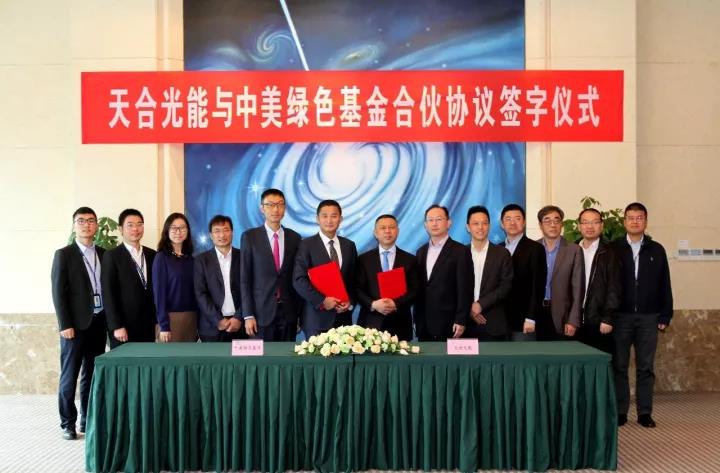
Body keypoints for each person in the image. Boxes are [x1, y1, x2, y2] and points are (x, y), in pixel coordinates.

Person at [612, 202, 673, 428]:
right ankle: (620, 411)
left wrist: (665, 315)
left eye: (639, 218)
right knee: (619, 366)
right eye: (631, 217)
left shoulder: (656, 250)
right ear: (624, 221)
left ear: (646, 221)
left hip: (649, 317)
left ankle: (645, 412)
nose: (635, 221)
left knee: (645, 367)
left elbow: (665, 283)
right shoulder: (614, 248)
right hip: (621, 317)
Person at [50, 207, 108, 440]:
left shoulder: (104, 253)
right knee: (69, 375)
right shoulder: (64, 254)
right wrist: (65, 324)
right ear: (74, 225)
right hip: (73, 326)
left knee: (91, 375)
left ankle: (86, 418)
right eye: (81, 221)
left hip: (98, 322)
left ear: (96, 225)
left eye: (90, 221)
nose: (86, 225)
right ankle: (67, 423)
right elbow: (58, 292)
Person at [240, 189, 302, 341]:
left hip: (289, 312)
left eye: (280, 204)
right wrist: (248, 315)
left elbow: (297, 277)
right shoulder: (250, 237)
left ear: (284, 208)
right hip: (260, 314)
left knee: (287, 355)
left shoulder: (294, 237)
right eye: (271, 205)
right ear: (262, 208)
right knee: (262, 356)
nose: (276, 209)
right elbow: (245, 279)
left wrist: (299, 315)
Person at [293, 200, 357, 338]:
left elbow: (353, 281)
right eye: (324, 216)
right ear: (317, 219)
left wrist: (349, 302)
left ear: (340, 219)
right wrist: (322, 301)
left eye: (334, 216)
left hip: (343, 320)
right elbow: (299, 279)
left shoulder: (349, 246)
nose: (329, 220)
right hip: (315, 320)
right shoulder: (306, 245)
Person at [355, 214, 418, 341]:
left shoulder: (410, 260)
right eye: (383, 228)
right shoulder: (363, 259)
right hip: (370, 325)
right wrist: (373, 304)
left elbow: (415, 290)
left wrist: (396, 303)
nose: (387, 231)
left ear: (397, 231)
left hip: (400, 324)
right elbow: (356, 288)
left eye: (391, 227)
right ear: (375, 233)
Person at [414, 205, 472, 341]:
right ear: (425, 225)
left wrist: (461, 319)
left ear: (448, 223)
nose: (434, 224)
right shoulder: (421, 252)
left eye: (439, 219)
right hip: (424, 323)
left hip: (450, 323)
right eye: (430, 220)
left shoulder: (460, 251)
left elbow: (465, 288)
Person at [102, 209, 157, 348]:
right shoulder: (112, 256)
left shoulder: (152, 255)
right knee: (124, 362)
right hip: (123, 328)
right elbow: (108, 293)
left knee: (146, 361)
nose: (135, 229)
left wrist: (157, 321)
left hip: (148, 325)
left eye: (139, 224)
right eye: (130, 225)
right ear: (121, 229)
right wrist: (116, 325)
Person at [465, 206, 513, 341]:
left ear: (489, 226)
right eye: (475, 223)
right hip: (465, 324)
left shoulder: (502, 253)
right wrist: (469, 308)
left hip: (493, 324)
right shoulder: (460, 253)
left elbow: (505, 286)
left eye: (484, 223)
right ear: (468, 227)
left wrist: (480, 305)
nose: (480, 227)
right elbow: (454, 287)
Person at [536, 205, 584, 340]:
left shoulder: (574, 250)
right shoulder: (533, 248)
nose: (553, 225)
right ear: (540, 225)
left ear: (561, 224)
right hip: (536, 313)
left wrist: (573, 320)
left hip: (562, 315)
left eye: (556, 220)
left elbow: (577, 288)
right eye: (547, 220)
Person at [576, 208, 620, 354]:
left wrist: (608, 318)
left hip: (598, 321)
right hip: (574, 321)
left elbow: (614, 287)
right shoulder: (571, 249)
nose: (590, 226)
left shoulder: (610, 252)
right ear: (579, 226)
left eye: (595, 222)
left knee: (599, 363)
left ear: (601, 226)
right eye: (585, 222)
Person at [194, 215, 244, 342]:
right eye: (217, 231)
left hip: (240, 325)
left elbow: (250, 290)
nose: (222, 235)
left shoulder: (244, 257)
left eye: (226, 230)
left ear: (232, 232)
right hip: (211, 327)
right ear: (211, 235)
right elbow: (200, 294)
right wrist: (218, 320)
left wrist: (239, 317)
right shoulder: (201, 260)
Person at [500, 204, 547, 341]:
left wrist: (531, 318)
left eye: (517, 218)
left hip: (524, 320)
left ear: (524, 222)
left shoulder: (535, 249)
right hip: (500, 320)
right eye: (508, 219)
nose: (512, 222)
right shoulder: (497, 249)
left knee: (522, 353)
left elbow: (537, 286)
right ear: (502, 224)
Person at [152, 213, 198, 342]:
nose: (178, 232)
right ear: (167, 231)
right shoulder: (161, 258)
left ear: (188, 231)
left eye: (182, 227)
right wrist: (164, 325)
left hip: (191, 318)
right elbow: (159, 294)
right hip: (170, 319)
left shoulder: (191, 259)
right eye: (174, 228)